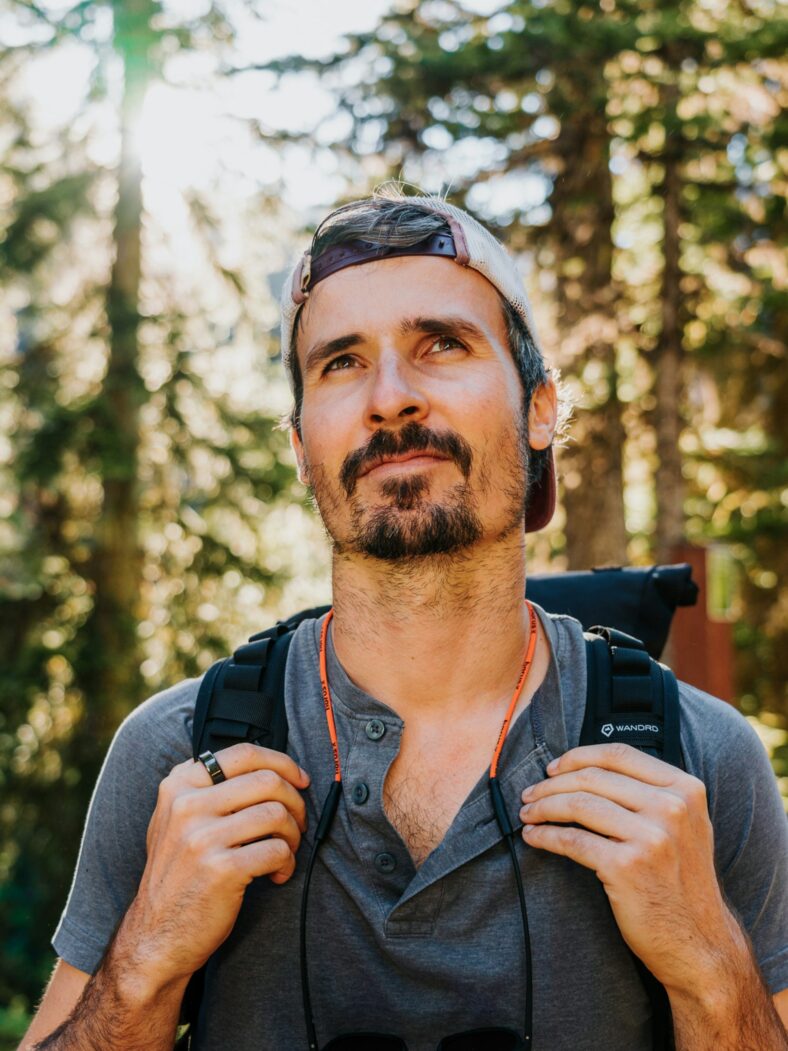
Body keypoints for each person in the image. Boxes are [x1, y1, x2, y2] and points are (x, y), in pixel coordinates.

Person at [20, 191, 788, 1051]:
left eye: (443, 344)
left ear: (540, 407)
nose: (391, 398)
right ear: (302, 448)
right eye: (341, 363)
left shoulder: (698, 762)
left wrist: (712, 964)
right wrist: (147, 958)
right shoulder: (180, 756)